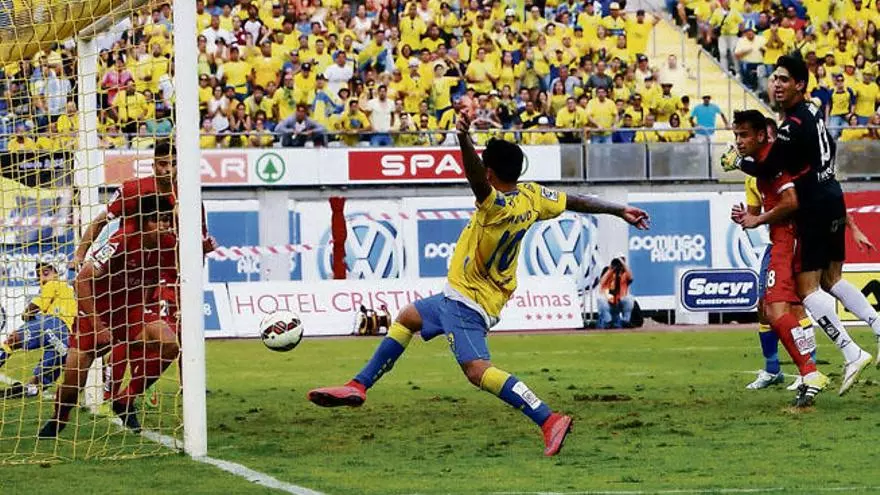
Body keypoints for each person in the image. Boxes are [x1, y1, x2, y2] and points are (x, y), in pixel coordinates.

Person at [307, 112, 650, 456]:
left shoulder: (494, 205)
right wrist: (619, 210)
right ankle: (359, 385)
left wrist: (462, 137)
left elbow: (475, 178)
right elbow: (575, 200)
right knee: (408, 317)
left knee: (475, 370)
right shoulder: (532, 196)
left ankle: (548, 419)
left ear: (489, 173)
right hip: (463, 295)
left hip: (468, 300)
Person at [725, 56, 880, 397]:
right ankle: (877, 326)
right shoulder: (813, 111)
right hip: (832, 194)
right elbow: (825, 149)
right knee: (832, 280)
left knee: (806, 290)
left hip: (813, 208)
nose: (776, 84)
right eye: (774, 78)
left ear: (800, 85)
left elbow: (771, 169)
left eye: (784, 79)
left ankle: (848, 352)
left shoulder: (792, 125)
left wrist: (739, 162)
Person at [39, 195, 179, 437]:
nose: (164, 225)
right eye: (158, 220)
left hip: (131, 313)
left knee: (170, 344)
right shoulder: (121, 242)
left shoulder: (168, 245)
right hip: (96, 314)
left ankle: (124, 400)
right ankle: (59, 418)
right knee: (72, 384)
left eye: (167, 220)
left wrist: (143, 309)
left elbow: (152, 280)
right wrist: (99, 327)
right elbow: (81, 281)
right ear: (144, 222)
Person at [729, 110, 829, 406]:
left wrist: (758, 220)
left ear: (762, 135)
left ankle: (812, 370)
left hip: (789, 238)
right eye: (736, 135)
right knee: (781, 309)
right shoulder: (762, 167)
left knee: (776, 309)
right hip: (787, 236)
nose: (739, 141)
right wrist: (749, 217)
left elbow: (791, 202)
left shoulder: (773, 164)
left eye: (744, 135)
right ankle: (808, 371)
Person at [0, 263, 74, 399]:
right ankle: (30, 389)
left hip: (50, 323)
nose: (42, 279)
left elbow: (32, 309)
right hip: (65, 339)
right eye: (39, 277)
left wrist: (26, 316)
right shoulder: (73, 291)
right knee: (43, 376)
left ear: (56, 274)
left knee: (12, 341)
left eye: (45, 273)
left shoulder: (53, 284)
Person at [596, 257, 634, 329]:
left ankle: (626, 320)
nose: (618, 265)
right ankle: (608, 321)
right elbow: (602, 282)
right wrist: (611, 269)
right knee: (600, 299)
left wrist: (623, 264)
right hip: (609, 301)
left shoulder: (625, 273)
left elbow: (631, 277)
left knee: (629, 299)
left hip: (619, 300)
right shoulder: (607, 271)